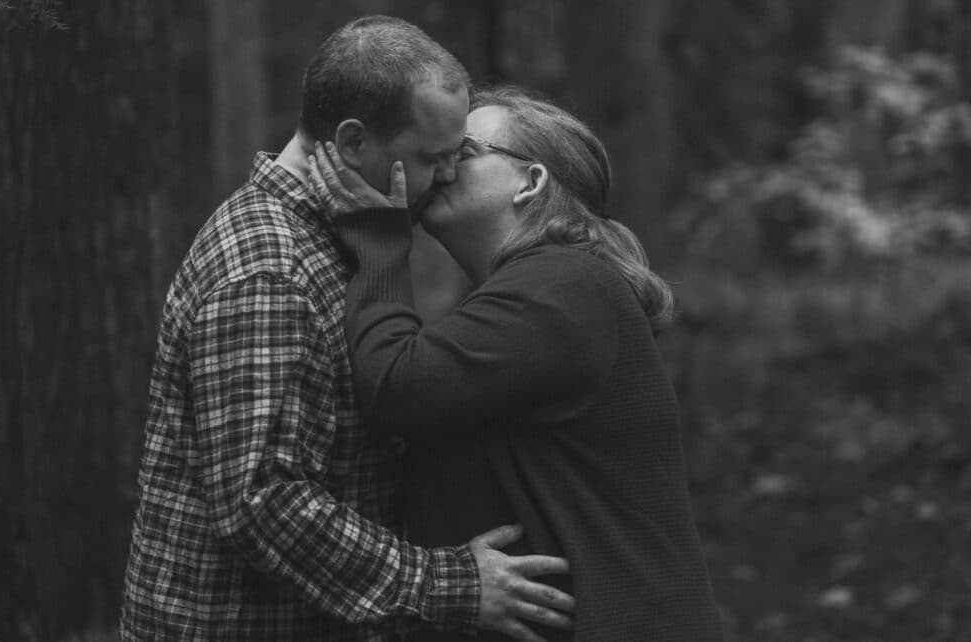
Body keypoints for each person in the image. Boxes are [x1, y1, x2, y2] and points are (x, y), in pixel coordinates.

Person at [120, 18, 575, 642]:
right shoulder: (269, 269)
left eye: (456, 155)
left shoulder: (336, 242)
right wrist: (451, 588)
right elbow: (262, 502)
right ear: (353, 141)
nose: (448, 177)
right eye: (430, 158)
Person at [309, 85, 726, 640]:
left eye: (466, 151)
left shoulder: (560, 287)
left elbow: (396, 387)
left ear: (531, 183)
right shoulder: (546, 287)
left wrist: (382, 246)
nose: (444, 165)